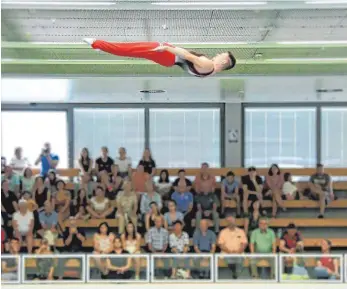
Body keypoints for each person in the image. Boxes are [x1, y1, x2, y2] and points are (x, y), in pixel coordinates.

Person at [83, 39, 236, 77]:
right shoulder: (211, 72)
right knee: (132, 50)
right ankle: (102, 47)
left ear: (224, 61)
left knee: (131, 49)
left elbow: (188, 55)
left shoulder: (208, 65)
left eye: (221, 55)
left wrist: (166, 47)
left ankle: (97, 44)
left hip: (168, 55)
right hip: (170, 59)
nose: (218, 54)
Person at [217, 210, 248, 279]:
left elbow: (244, 244)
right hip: (226, 252)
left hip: (239, 252)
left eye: (232, 221)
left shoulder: (241, 231)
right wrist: (229, 252)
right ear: (227, 223)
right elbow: (221, 245)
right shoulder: (223, 232)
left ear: (235, 221)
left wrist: (238, 252)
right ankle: (234, 272)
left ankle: (236, 272)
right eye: (229, 221)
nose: (230, 223)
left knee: (239, 260)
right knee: (229, 260)